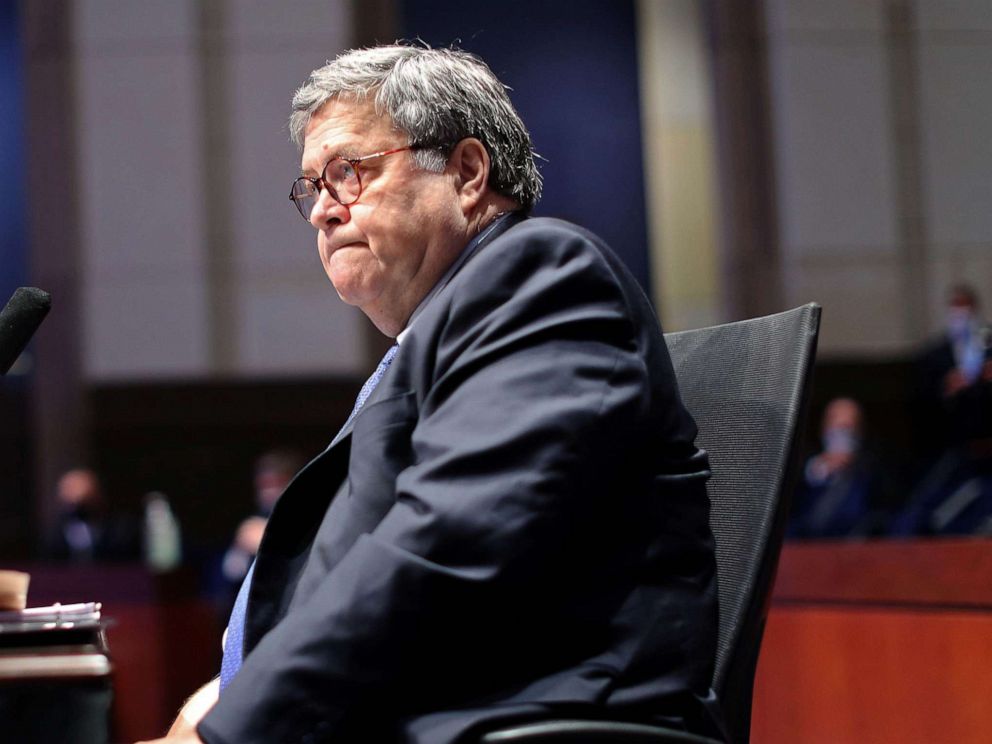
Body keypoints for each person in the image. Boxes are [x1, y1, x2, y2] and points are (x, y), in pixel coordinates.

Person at [145, 44, 722, 744]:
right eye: (313, 187)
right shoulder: (442, 333)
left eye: (348, 174)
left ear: (468, 172)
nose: (323, 213)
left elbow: (443, 547)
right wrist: (228, 690)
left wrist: (233, 728)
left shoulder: (542, 279)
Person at [787, 397, 891, 538]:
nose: (842, 435)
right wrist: (819, 470)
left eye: (849, 429)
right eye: (837, 428)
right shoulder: (799, 471)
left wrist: (852, 468)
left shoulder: (871, 474)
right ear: (823, 429)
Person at [221, 449, 303, 586]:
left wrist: (271, 543)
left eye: (276, 483)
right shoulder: (252, 524)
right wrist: (240, 547)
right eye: (264, 484)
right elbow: (231, 573)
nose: (268, 492)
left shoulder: (310, 521)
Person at [46, 468, 139, 562]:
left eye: (84, 501)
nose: (76, 502)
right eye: (69, 490)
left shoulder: (121, 530)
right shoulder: (54, 534)